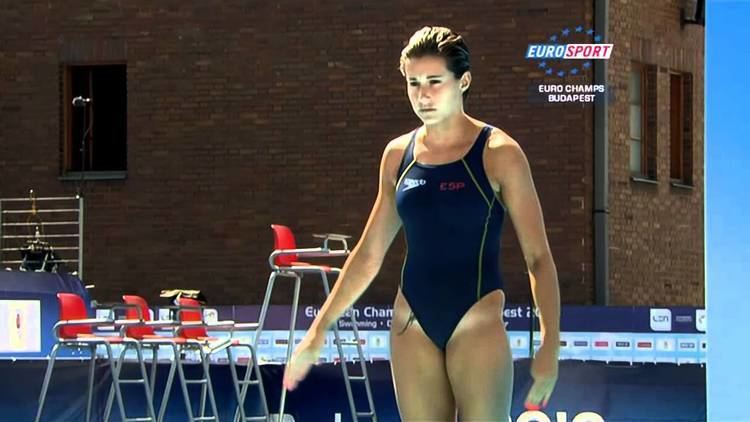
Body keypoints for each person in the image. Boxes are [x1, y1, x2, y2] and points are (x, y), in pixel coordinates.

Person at [282, 26, 561, 421]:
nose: (423, 94)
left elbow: (539, 259)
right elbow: (369, 253)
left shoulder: (499, 153)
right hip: (411, 321)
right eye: (413, 83)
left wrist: (550, 345)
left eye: (434, 82)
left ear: (463, 81)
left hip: (476, 319)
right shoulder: (399, 155)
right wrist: (318, 329)